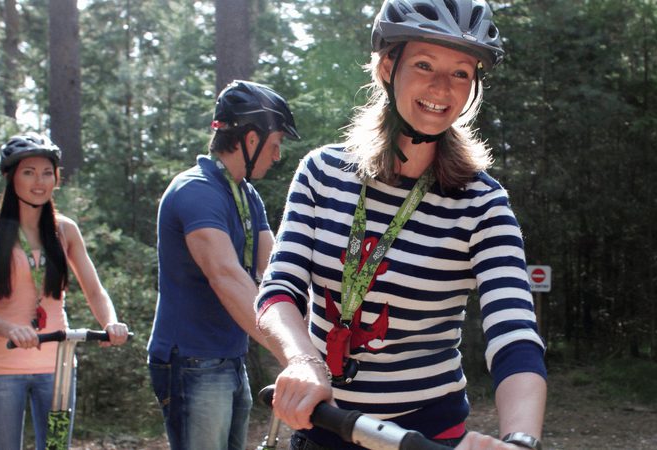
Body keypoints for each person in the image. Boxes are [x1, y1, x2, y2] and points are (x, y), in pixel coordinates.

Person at [255, 1, 547, 449]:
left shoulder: (483, 203)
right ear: (388, 67)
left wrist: (521, 439)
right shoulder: (322, 173)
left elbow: (513, 334)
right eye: (425, 64)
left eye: (461, 73)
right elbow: (279, 291)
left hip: (425, 437)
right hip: (325, 425)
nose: (441, 87)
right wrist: (302, 361)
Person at [147, 80, 300, 450]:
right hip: (191, 360)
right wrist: (293, 354)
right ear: (251, 139)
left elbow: (276, 268)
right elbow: (226, 277)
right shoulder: (195, 190)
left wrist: (313, 334)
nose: (277, 156)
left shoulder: (247, 195)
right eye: (275, 144)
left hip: (229, 356)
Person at [0, 133, 129, 450]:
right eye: (28, 172)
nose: (39, 181)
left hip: (57, 368)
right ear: (10, 176)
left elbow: (94, 290)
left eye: (47, 172)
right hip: (0, 368)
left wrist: (110, 322)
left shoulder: (64, 229)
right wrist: (11, 329)